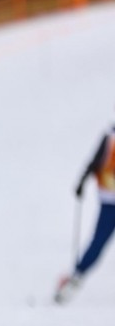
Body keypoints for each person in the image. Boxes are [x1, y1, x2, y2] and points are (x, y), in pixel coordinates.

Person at [55, 123, 115, 304]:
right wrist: (83, 180)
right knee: (98, 242)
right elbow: (95, 161)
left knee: (98, 242)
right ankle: (75, 278)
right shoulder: (110, 136)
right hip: (109, 201)